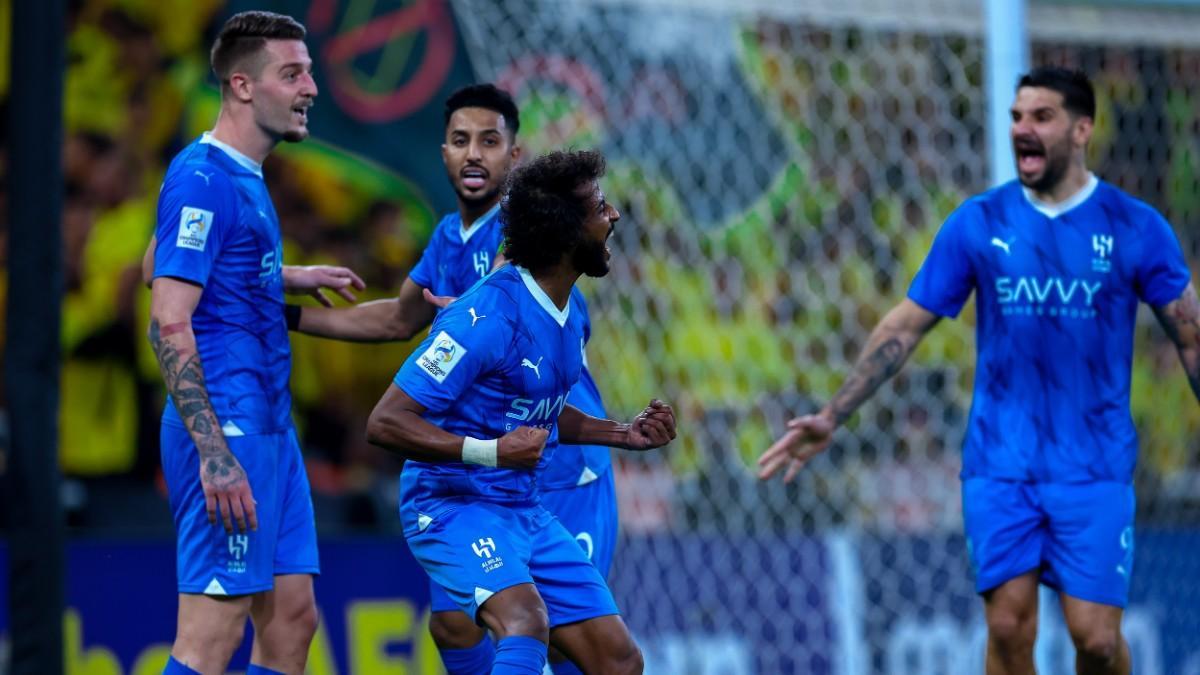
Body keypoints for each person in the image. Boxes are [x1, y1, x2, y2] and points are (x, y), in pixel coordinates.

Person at [758, 66, 1199, 675]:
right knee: (1008, 627)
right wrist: (834, 413)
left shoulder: (1135, 227)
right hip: (1001, 463)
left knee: (1095, 641)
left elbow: (1190, 336)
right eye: (1017, 116)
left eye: (1041, 117)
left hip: (1093, 466)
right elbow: (906, 325)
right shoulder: (979, 223)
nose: (1022, 129)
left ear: (1081, 130)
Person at [295, 84, 622, 675]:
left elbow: (497, 297)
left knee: (560, 644)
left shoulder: (530, 233)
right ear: (442, 151)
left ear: (515, 158)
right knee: (453, 622)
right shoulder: (449, 235)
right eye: (460, 140)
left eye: (490, 142)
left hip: (558, 474)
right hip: (478, 479)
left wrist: (466, 317)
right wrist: (290, 315)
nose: (474, 155)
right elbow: (400, 317)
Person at [366, 149, 677, 675]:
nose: (615, 215)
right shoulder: (485, 317)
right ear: (564, 230)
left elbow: (540, 412)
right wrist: (490, 451)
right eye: (601, 207)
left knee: (619, 660)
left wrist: (623, 434)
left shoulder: (569, 311)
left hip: (522, 508)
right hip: (449, 505)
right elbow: (386, 421)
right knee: (525, 621)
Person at [147, 12, 365, 675]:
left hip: (272, 428)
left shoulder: (243, 176)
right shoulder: (204, 176)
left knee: (293, 619)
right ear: (242, 85)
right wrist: (214, 451)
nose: (312, 88)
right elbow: (168, 319)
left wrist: (282, 273)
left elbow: (164, 252)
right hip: (227, 426)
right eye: (292, 73)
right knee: (211, 638)